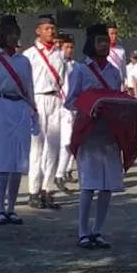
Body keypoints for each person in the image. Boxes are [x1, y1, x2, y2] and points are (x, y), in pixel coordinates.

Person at [64, 24, 129, 249]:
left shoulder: (114, 71)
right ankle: (83, 231)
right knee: (89, 185)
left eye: (105, 42)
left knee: (107, 186)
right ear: (91, 44)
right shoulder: (80, 71)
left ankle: (98, 231)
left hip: (109, 134)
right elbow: (70, 100)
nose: (103, 45)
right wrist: (90, 106)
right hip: (89, 134)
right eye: (99, 41)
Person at [0, 15, 39, 225]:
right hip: (0, 108)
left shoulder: (24, 61)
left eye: (16, 33)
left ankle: (12, 207)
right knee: (3, 163)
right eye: (9, 33)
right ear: (2, 36)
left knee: (18, 162)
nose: (14, 37)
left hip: (20, 109)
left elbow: (29, 89)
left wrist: (35, 115)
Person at [24, 14, 66, 210]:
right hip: (38, 100)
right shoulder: (30, 55)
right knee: (37, 148)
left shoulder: (59, 54)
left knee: (53, 148)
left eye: (52, 28)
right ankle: (33, 191)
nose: (51, 31)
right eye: (46, 28)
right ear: (38, 31)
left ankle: (47, 190)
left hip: (56, 99)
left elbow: (64, 80)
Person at [55, 32, 78, 190]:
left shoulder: (74, 65)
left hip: (71, 108)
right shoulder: (59, 63)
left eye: (71, 47)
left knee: (69, 143)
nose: (69, 50)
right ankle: (58, 174)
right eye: (67, 47)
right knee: (65, 143)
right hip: (60, 107)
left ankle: (62, 173)